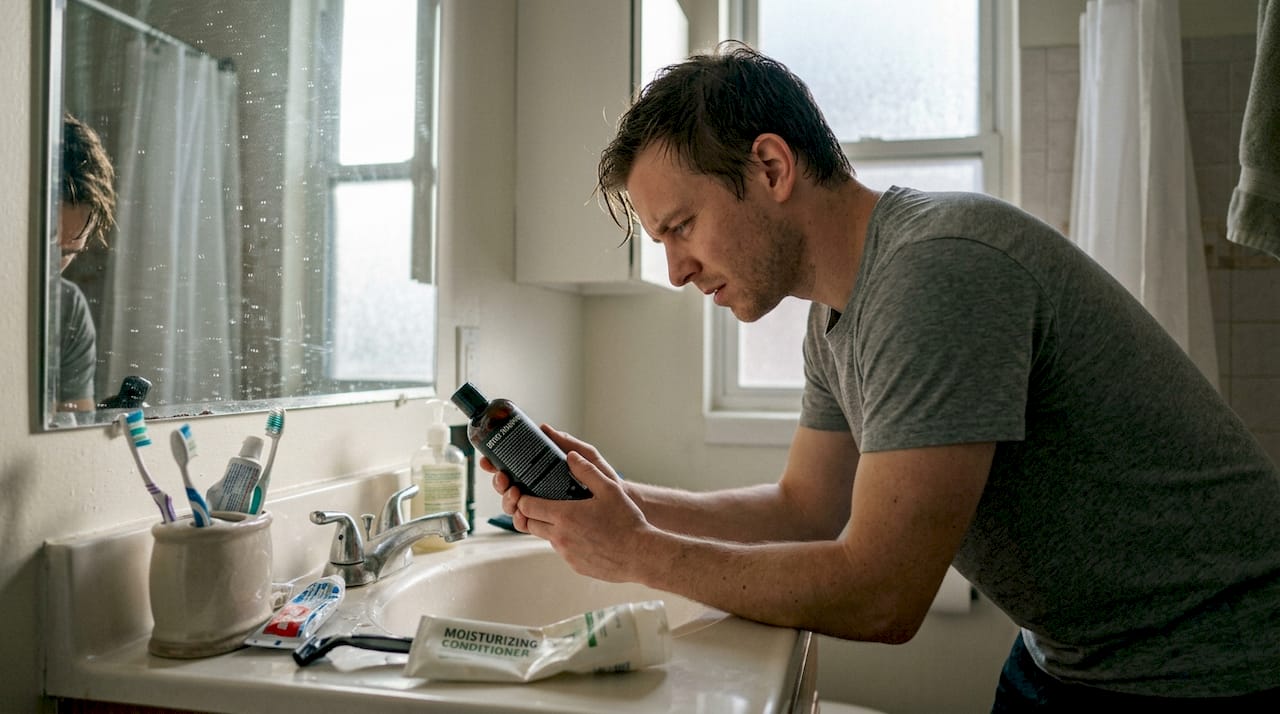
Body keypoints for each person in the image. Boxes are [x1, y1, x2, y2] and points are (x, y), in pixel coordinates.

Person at [484, 43, 1280, 710]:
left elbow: (881, 594)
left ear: (769, 166)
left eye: (681, 226)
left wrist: (637, 552)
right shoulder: (836, 317)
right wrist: (615, 502)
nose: (676, 269)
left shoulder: (936, 272)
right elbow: (804, 509)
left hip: (1213, 666)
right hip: (1070, 658)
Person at [56, 113, 116, 413]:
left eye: (68, 253)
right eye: (44, 247)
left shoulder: (67, 309)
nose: (51, 269)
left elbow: (73, 434)